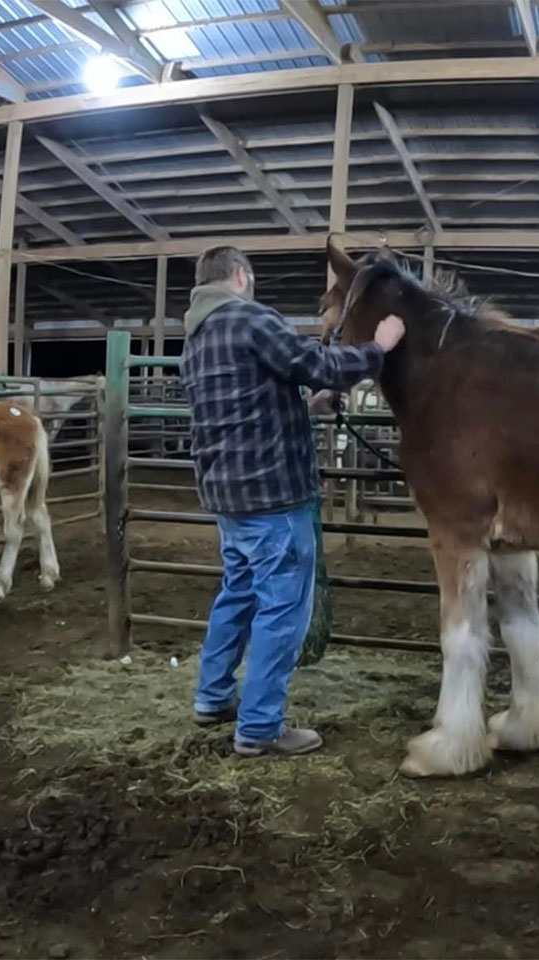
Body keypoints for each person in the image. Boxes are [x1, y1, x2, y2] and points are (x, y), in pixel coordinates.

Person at [180, 245, 405, 757]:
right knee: (283, 609)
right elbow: (319, 362)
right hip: (274, 495)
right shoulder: (252, 320)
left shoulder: (195, 338)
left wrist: (309, 405)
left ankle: (213, 697)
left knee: (237, 594)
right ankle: (259, 727)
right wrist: (379, 348)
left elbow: (244, 406)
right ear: (242, 275)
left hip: (228, 498)